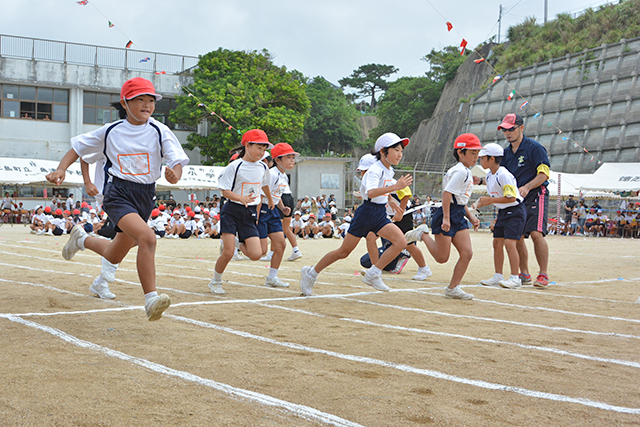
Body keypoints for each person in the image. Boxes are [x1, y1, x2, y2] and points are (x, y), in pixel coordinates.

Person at [46, 77, 188, 319]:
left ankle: (82, 240)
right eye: (140, 100)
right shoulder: (111, 131)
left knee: (115, 253)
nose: (147, 105)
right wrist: (61, 169)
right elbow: (78, 149)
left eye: (151, 100)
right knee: (148, 238)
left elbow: (176, 160)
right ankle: (151, 299)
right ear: (125, 102)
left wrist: (175, 175)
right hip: (118, 193)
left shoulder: (159, 129)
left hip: (146, 195)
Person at [299, 132, 412, 296]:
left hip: (379, 213)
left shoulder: (388, 170)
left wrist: (391, 201)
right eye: (396, 150)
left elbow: (380, 190)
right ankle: (310, 273)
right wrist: (395, 188)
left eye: (401, 151)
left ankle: (374, 273)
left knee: (400, 241)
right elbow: (372, 192)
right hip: (366, 213)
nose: (400, 154)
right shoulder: (375, 170)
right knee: (343, 252)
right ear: (383, 151)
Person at [405, 133, 481, 300]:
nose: (476, 157)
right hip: (447, 212)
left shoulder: (465, 172)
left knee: (467, 253)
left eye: (477, 153)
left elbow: (460, 201)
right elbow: (447, 194)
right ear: (461, 153)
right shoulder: (460, 171)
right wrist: (446, 218)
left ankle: (453, 288)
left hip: (458, 213)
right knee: (441, 258)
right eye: (473, 153)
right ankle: (422, 233)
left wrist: (471, 218)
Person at [486, 113, 551, 288]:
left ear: (521, 128)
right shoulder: (505, 154)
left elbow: (544, 173)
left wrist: (528, 187)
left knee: (537, 233)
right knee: (517, 236)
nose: (508, 133)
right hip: (515, 200)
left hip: (536, 194)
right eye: (504, 130)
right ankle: (524, 273)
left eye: (511, 129)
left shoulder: (535, 148)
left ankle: (543, 274)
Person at [207, 129, 274, 295]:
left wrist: (270, 199)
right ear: (247, 145)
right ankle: (215, 281)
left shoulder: (263, 167)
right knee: (228, 252)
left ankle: (236, 242)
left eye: (264, 149)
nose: (262, 152)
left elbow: (264, 184)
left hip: (249, 212)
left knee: (256, 254)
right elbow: (224, 191)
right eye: (259, 147)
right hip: (232, 210)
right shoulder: (234, 166)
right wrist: (240, 198)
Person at [475, 143, 526, 289]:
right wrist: (478, 180)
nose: (480, 161)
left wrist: (490, 201)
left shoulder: (504, 174)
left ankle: (515, 277)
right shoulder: (491, 174)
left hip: (515, 211)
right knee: (497, 242)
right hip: (504, 212)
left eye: (482, 158)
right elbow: (488, 182)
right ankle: (498, 275)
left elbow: (511, 197)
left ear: (491, 159)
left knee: (510, 244)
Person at [257, 143, 299, 287]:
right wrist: (256, 216)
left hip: (273, 210)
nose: (292, 160)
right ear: (278, 160)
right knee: (261, 251)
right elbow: (262, 196)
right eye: (288, 157)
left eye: (293, 157)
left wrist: (282, 207)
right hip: (262, 210)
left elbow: (276, 195)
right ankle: (238, 242)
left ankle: (272, 277)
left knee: (281, 244)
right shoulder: (271, 174)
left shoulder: (283, 176)